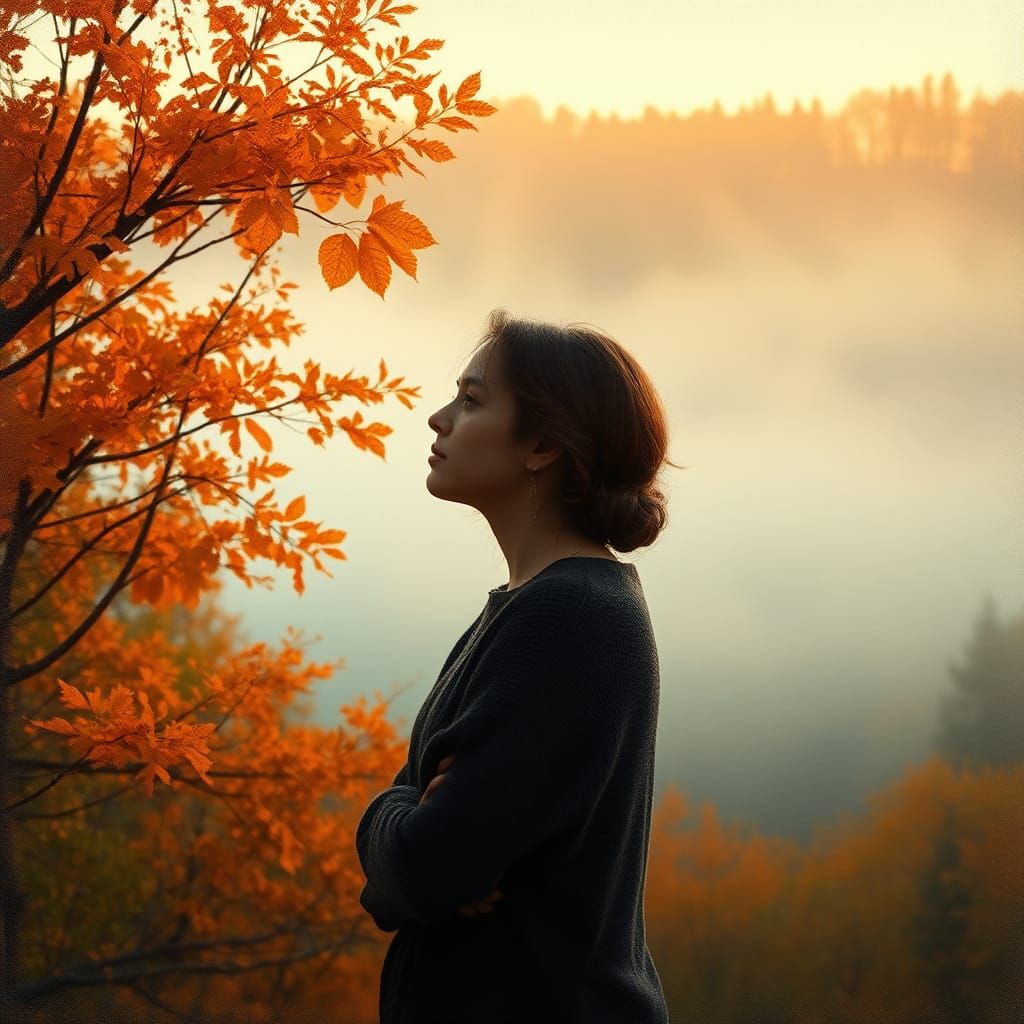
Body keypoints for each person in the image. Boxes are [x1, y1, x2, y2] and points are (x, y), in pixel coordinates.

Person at [355, 309, 680, 1023]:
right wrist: (412, 832)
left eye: (472, 401)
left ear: (541, 445)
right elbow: (429, 862)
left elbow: (429, 868)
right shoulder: (535, 605)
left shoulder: (570, 618)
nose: (437, 419)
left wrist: (388, 817)